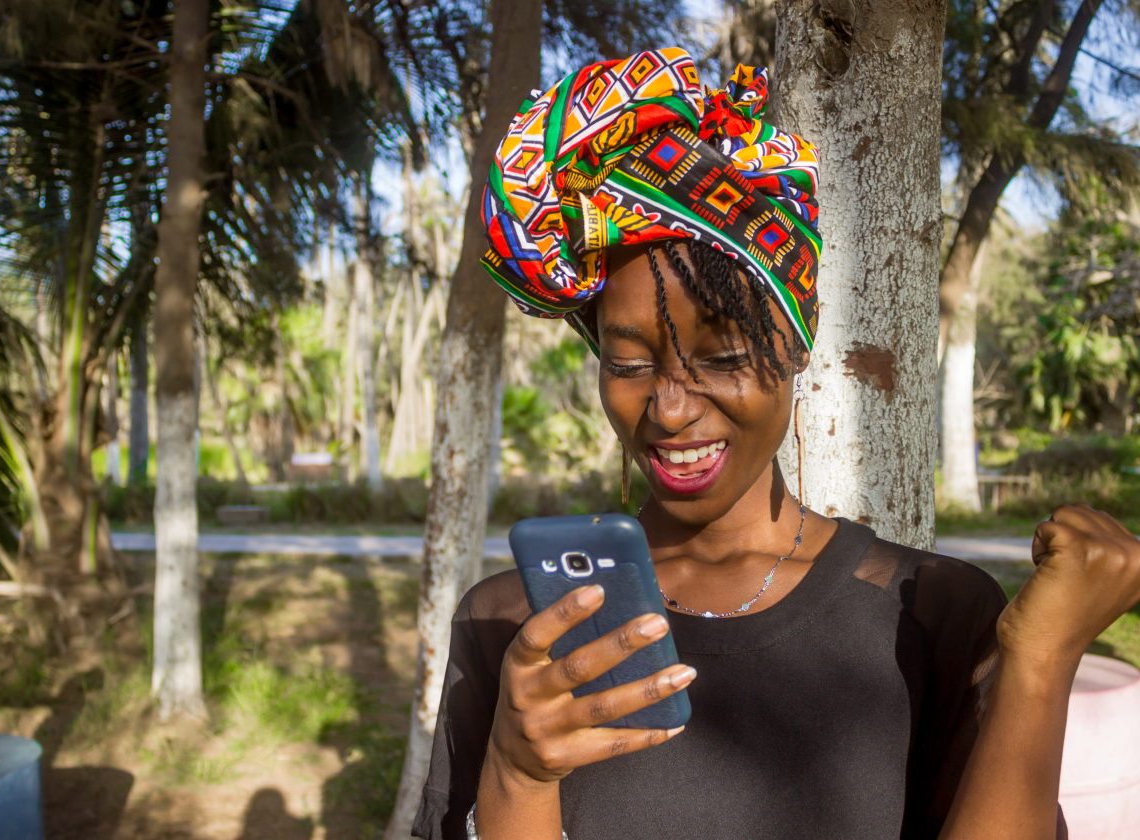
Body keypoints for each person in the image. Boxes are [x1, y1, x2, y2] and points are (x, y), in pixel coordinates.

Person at [412, 48, 1140, 840]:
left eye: (723, 358)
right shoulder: (518, 623)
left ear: (797, 347)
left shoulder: (932, 616)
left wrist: (1039, 663)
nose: (670, 406)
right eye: (628, 363)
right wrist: (520, 772)